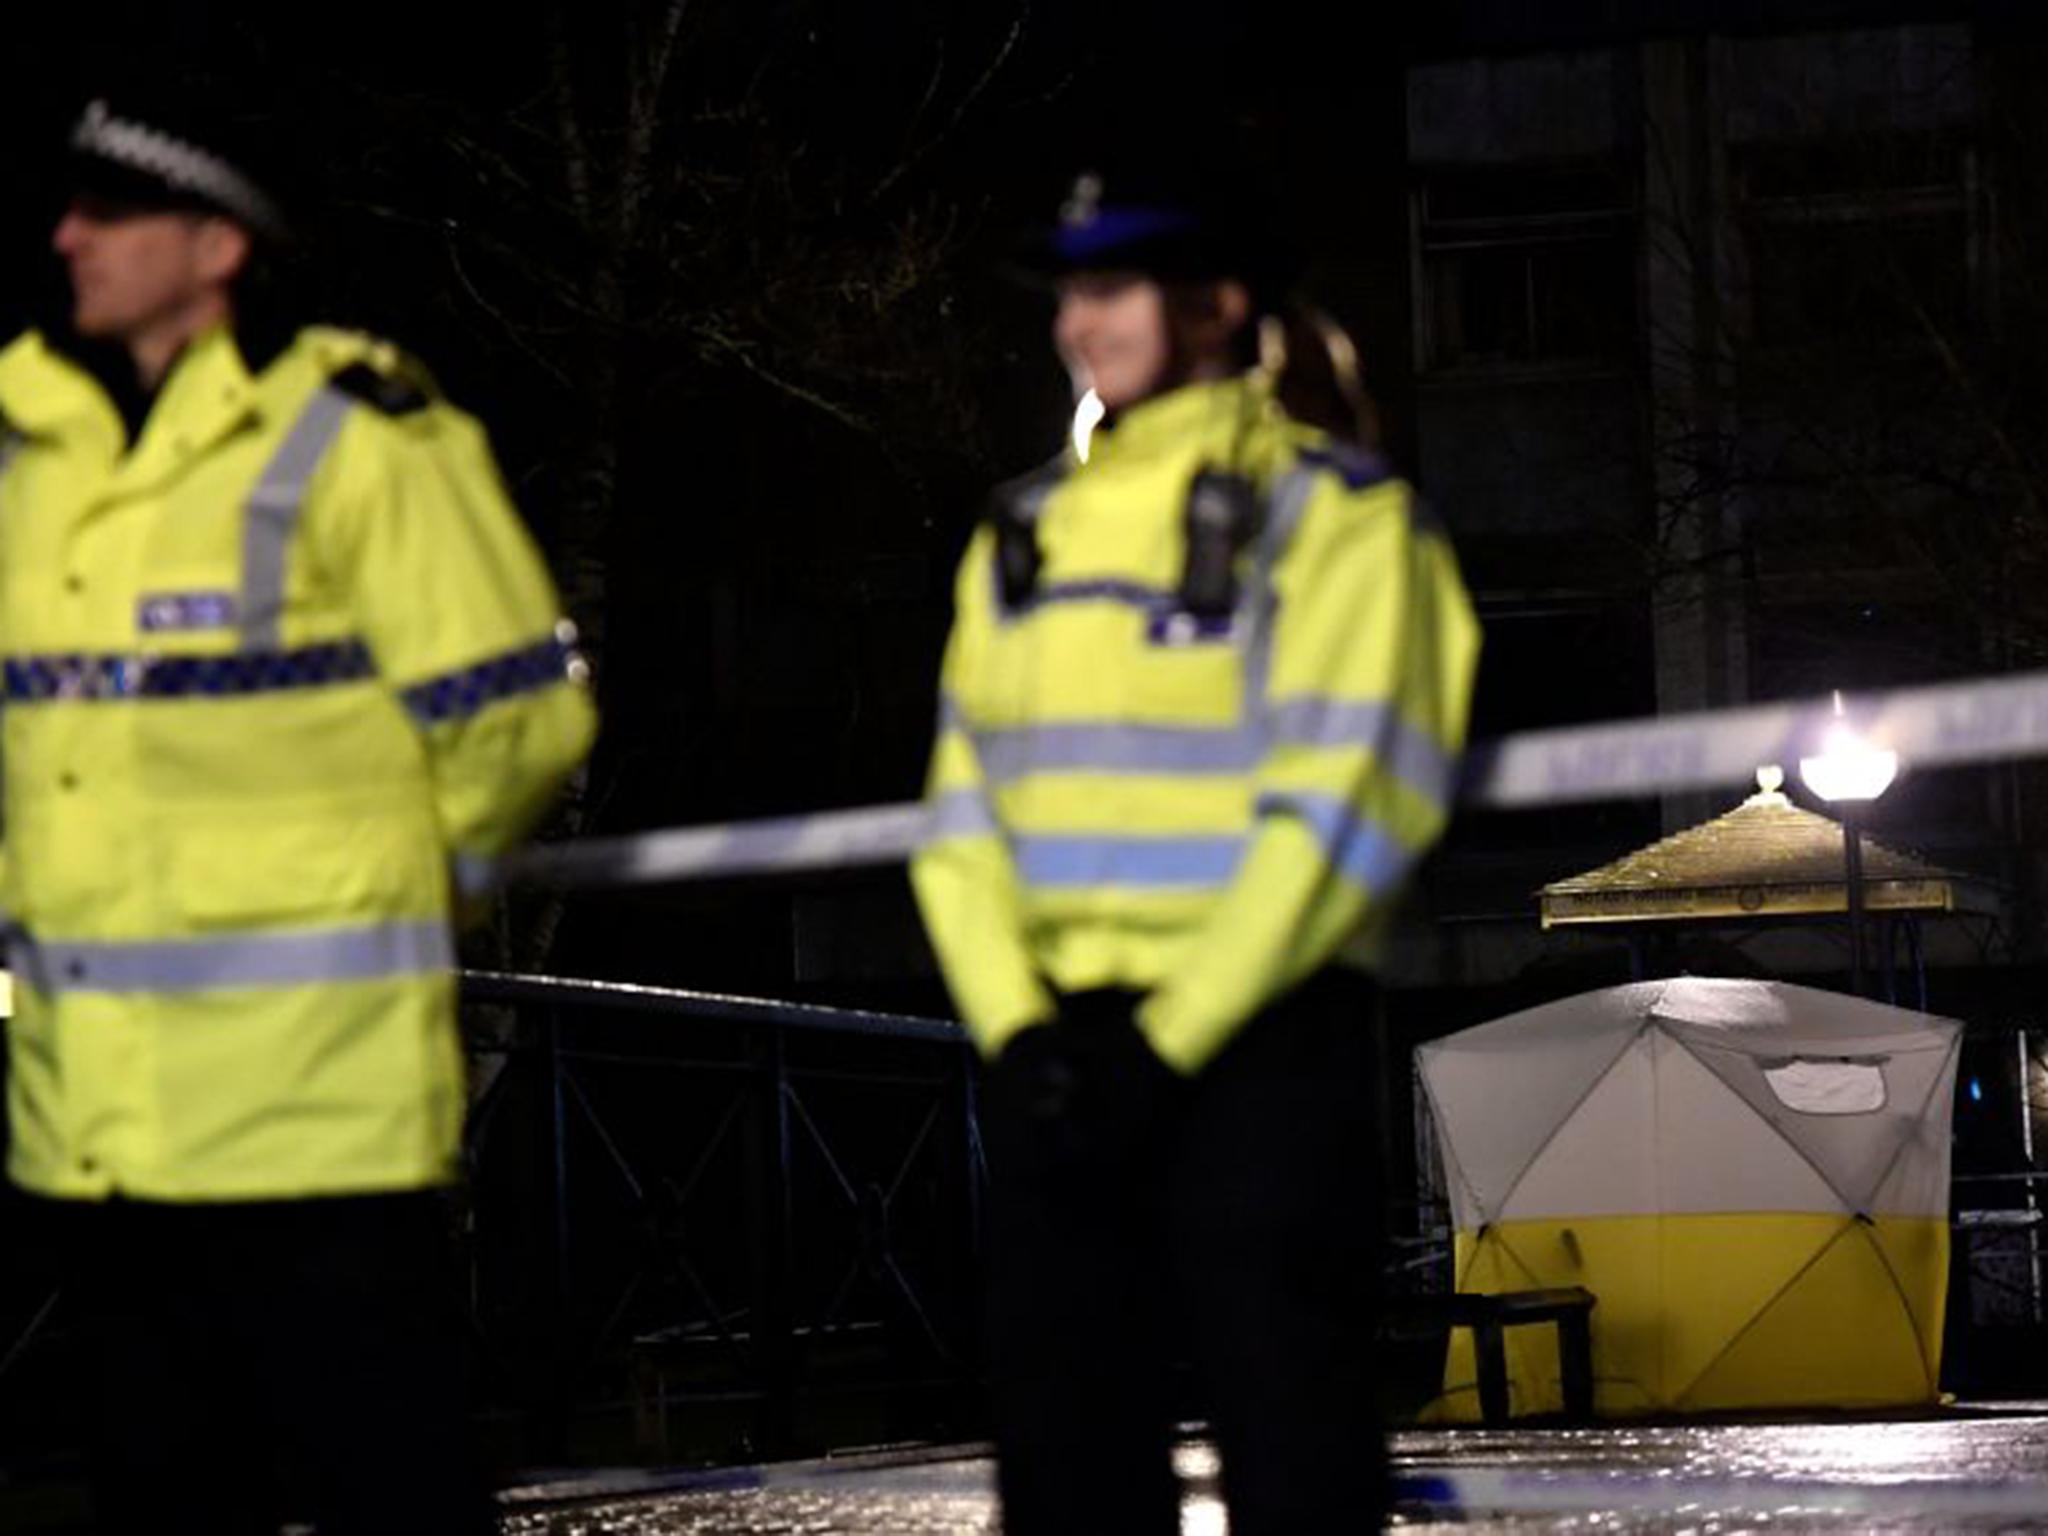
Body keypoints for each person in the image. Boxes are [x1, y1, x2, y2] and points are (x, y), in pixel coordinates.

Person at [0, 87, 596, 1533]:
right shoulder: (32, 453)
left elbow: (520, 723)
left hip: (317, 1128)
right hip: (104, 1134)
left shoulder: (358, 438)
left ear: (217, 244)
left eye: (112, 209)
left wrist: (390, 889)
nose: (68, 233)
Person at [910, 166, 1481, 1533]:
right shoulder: (1022, 529)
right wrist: (1021, 1034)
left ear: (1218, 306)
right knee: (1063, 1471)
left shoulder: (1337, 515)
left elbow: (1351, 803)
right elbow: (957, 822)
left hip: (1258, 1056)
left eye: (1110, 289)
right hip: (1062, 1057)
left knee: (1293, 1458)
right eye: (1067, 294)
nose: (1075, 324)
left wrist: (1156, 1040)